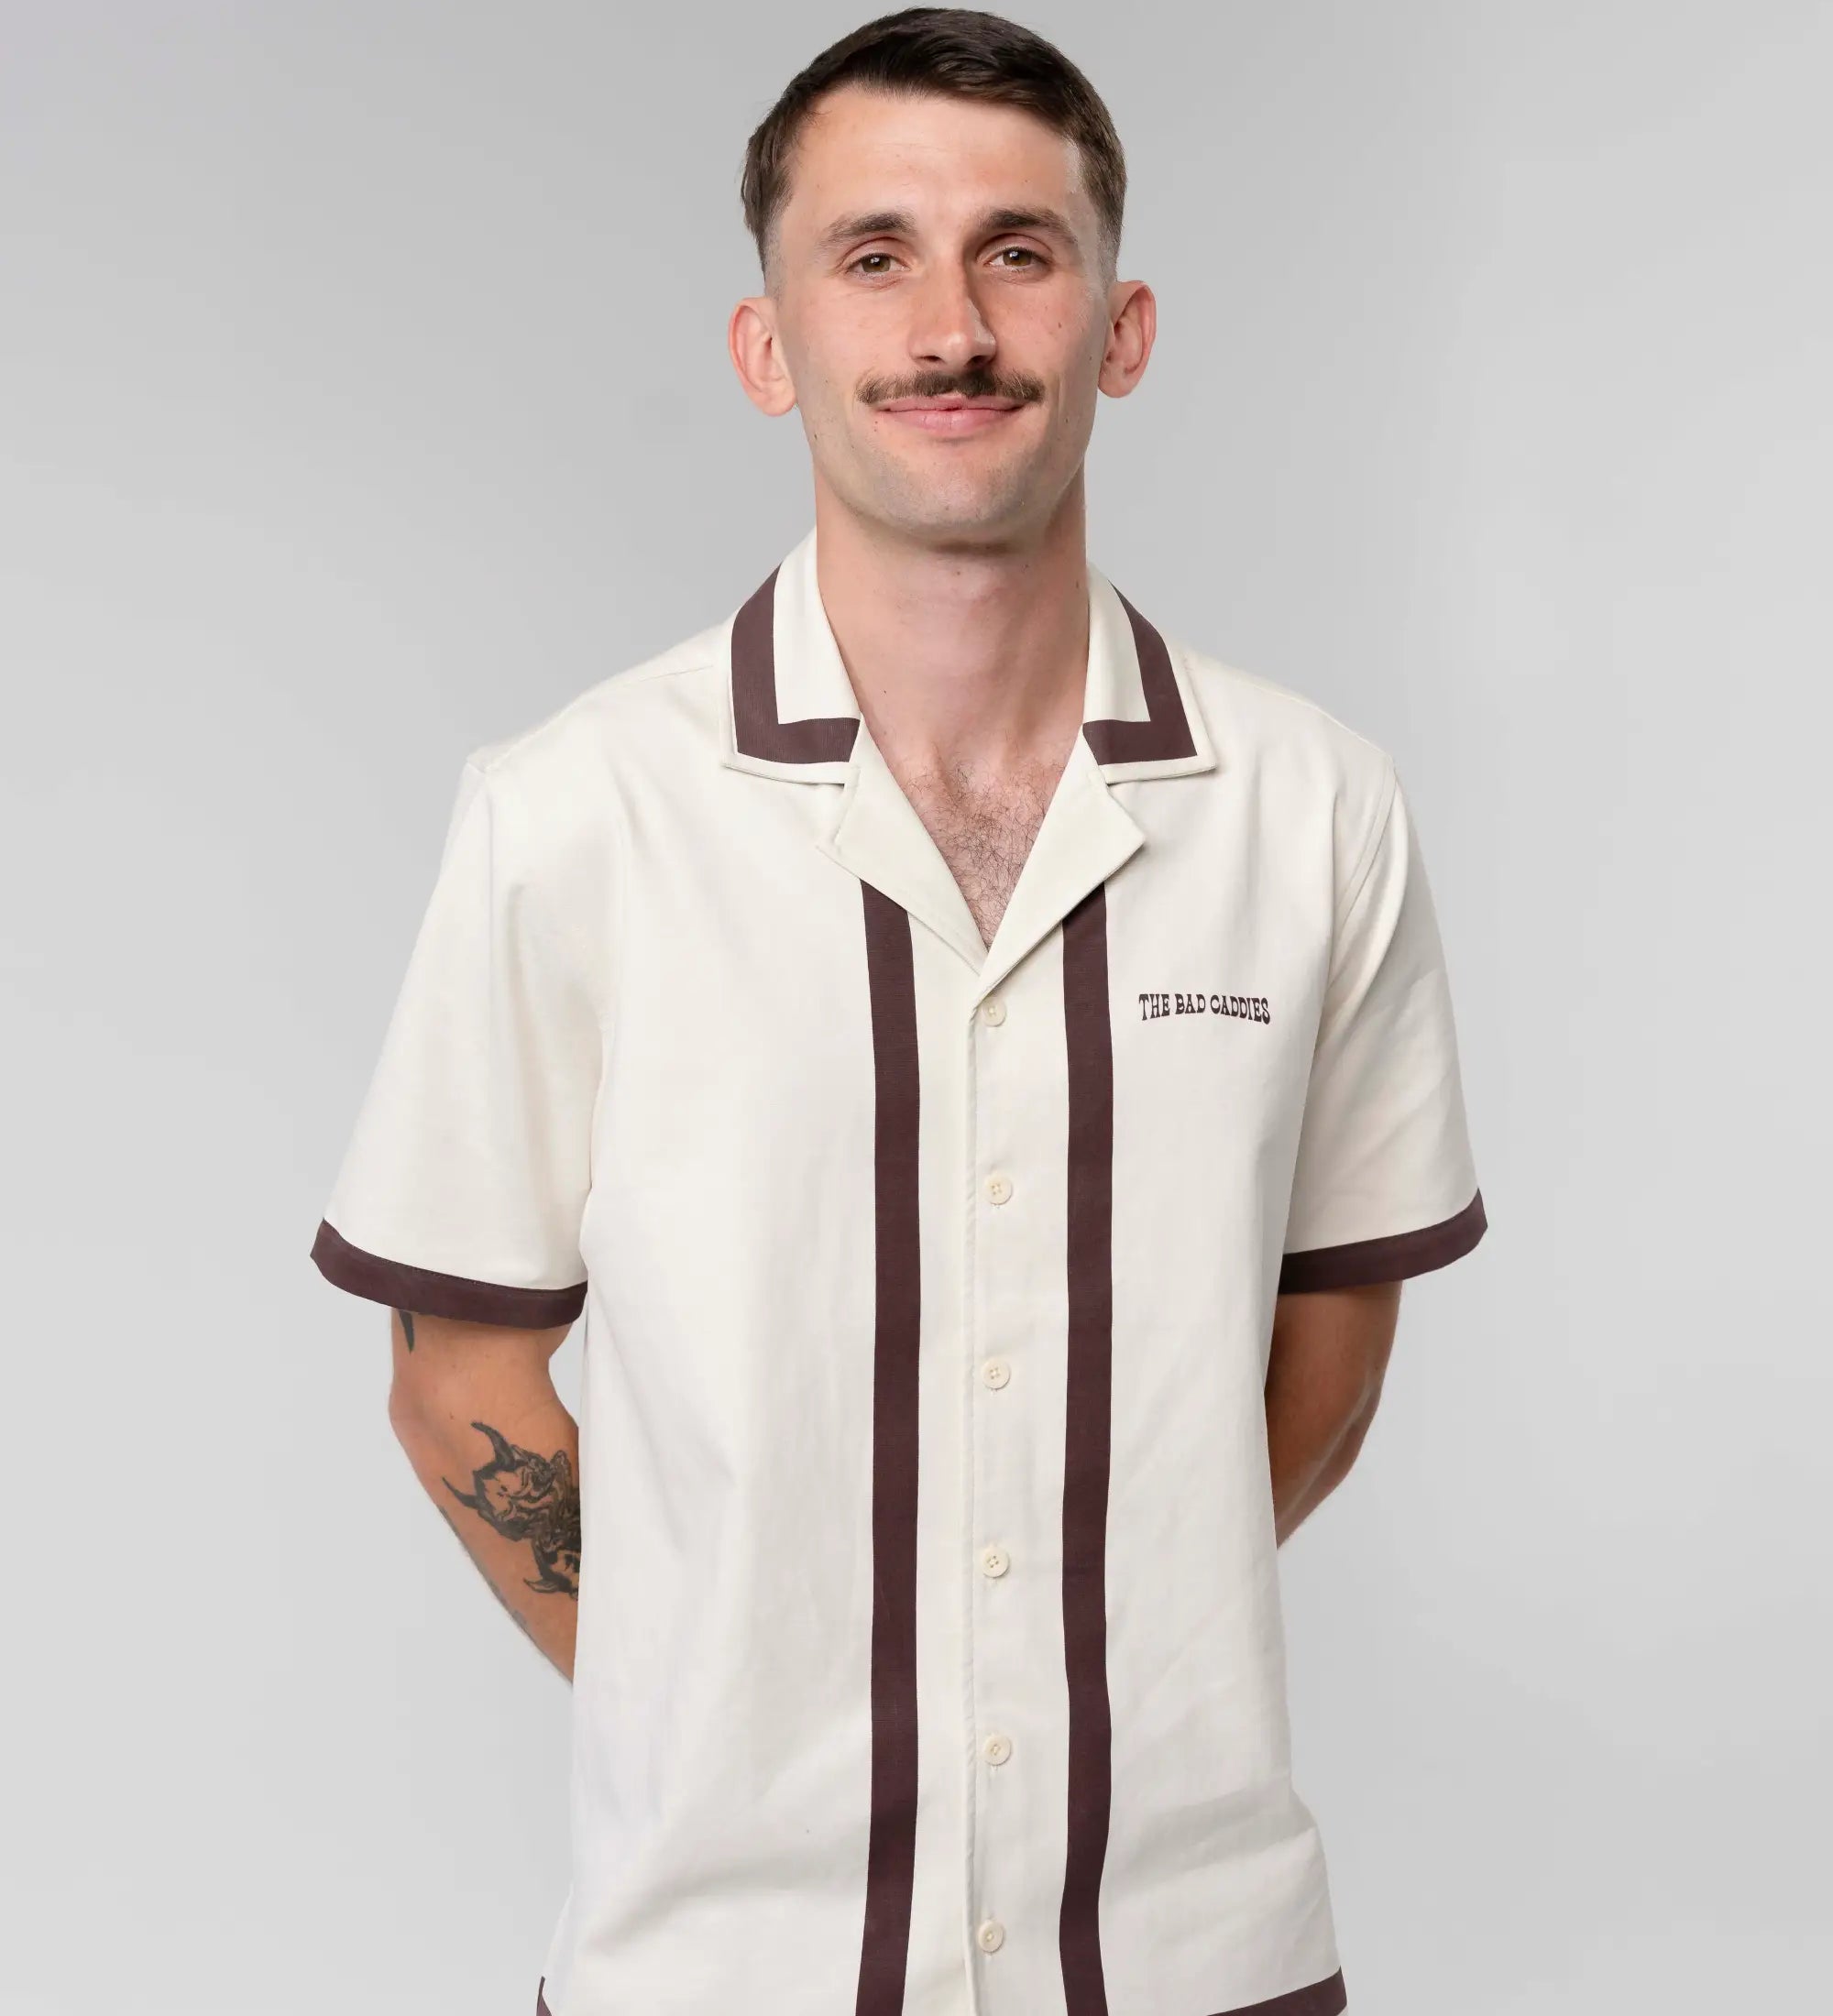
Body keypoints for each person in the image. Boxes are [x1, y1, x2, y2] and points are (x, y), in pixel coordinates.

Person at [309, 9, 1488, 2012]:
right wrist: (727, 1699)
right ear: (767, 346)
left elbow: (1326, 1363)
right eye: (873, 256)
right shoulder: (574, 814)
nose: (952, 328)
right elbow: (457, 1383)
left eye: (1019, 251)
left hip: (1195, 1954)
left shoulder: (1313, 810)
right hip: (716, 1968)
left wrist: (1047, 1651)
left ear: (1120, 327)